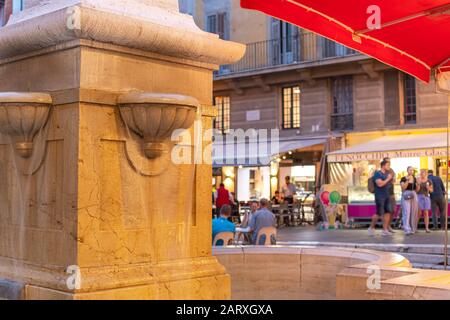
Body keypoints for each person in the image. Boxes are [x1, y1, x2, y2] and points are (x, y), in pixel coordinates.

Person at [368, 159, 394, 237]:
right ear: (383, 166)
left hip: (387, 195)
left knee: (388, 212)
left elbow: (390, 183)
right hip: (379, 196)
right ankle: (371, 227)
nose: (389, 167)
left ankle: (385, 230)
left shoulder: (387, 174)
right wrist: (388, 179)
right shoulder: (377, 174)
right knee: (379, 213)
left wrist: (391, 179)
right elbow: (380, 184)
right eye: (387, 165)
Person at [400, 166, 419, 235]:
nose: (411, 171)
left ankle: (412, 228)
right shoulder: (403, 178)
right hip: (406, 194)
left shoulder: (415, 179)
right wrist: (407, 180)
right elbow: (403, 188)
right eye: (410, 170)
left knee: (413, 212)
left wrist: (418, 185)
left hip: (413, 195)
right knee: (406, 212)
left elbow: (417, 190)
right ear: (407, 171)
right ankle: (406, 229)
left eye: (412, 170)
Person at [383, 157, 397, 233]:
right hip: (385, 194)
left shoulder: (391, 170)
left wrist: (393, 178)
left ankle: (388, 225)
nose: (389, 164)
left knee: (393, 211)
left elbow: (394, 180)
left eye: (390, 162)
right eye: (388, 162)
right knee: (387, 212)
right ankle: (385, 228)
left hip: (391, 193)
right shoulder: (382, 171)